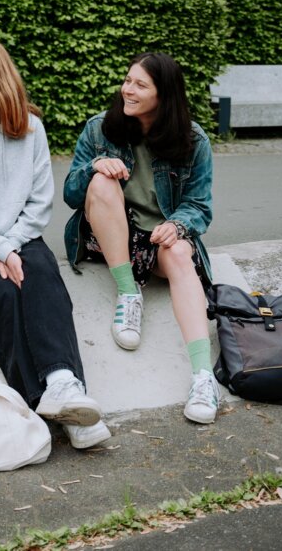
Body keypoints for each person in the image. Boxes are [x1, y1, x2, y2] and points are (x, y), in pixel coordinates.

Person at [0, 36, 110, 449]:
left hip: (19, 235)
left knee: (42, 273)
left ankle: (65, 386)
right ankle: (36, 410)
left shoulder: (30, 127)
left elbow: (39, 201)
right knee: (2, 291)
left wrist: (12, 244)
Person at [63, 52, 219, 424]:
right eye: (128, 80)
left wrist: (178, 225)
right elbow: (71, 195)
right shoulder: (100, 128)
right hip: (110, 237)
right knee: (101, 181)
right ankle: (129, 293)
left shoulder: (193, 140)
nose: (127, 90)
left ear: (163, 95)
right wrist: (93, 167)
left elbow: (200, 205)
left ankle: (203, 378)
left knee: (181, 253)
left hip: (159, 239)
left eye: (139, 85)